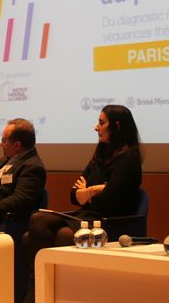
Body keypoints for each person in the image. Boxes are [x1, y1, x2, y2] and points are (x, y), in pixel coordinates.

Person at [23, 104, 142, 301]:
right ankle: (39, 288)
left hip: (109, 222)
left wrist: (88, 191)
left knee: (60, 235)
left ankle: (54, 294)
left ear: (117, 126)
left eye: (101, 123)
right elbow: (73, 194)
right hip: (87, 216)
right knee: (38, 219)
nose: (96, 127)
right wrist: (95, 190)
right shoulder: (101, 154)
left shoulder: (129, 159)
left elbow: (109, 201)